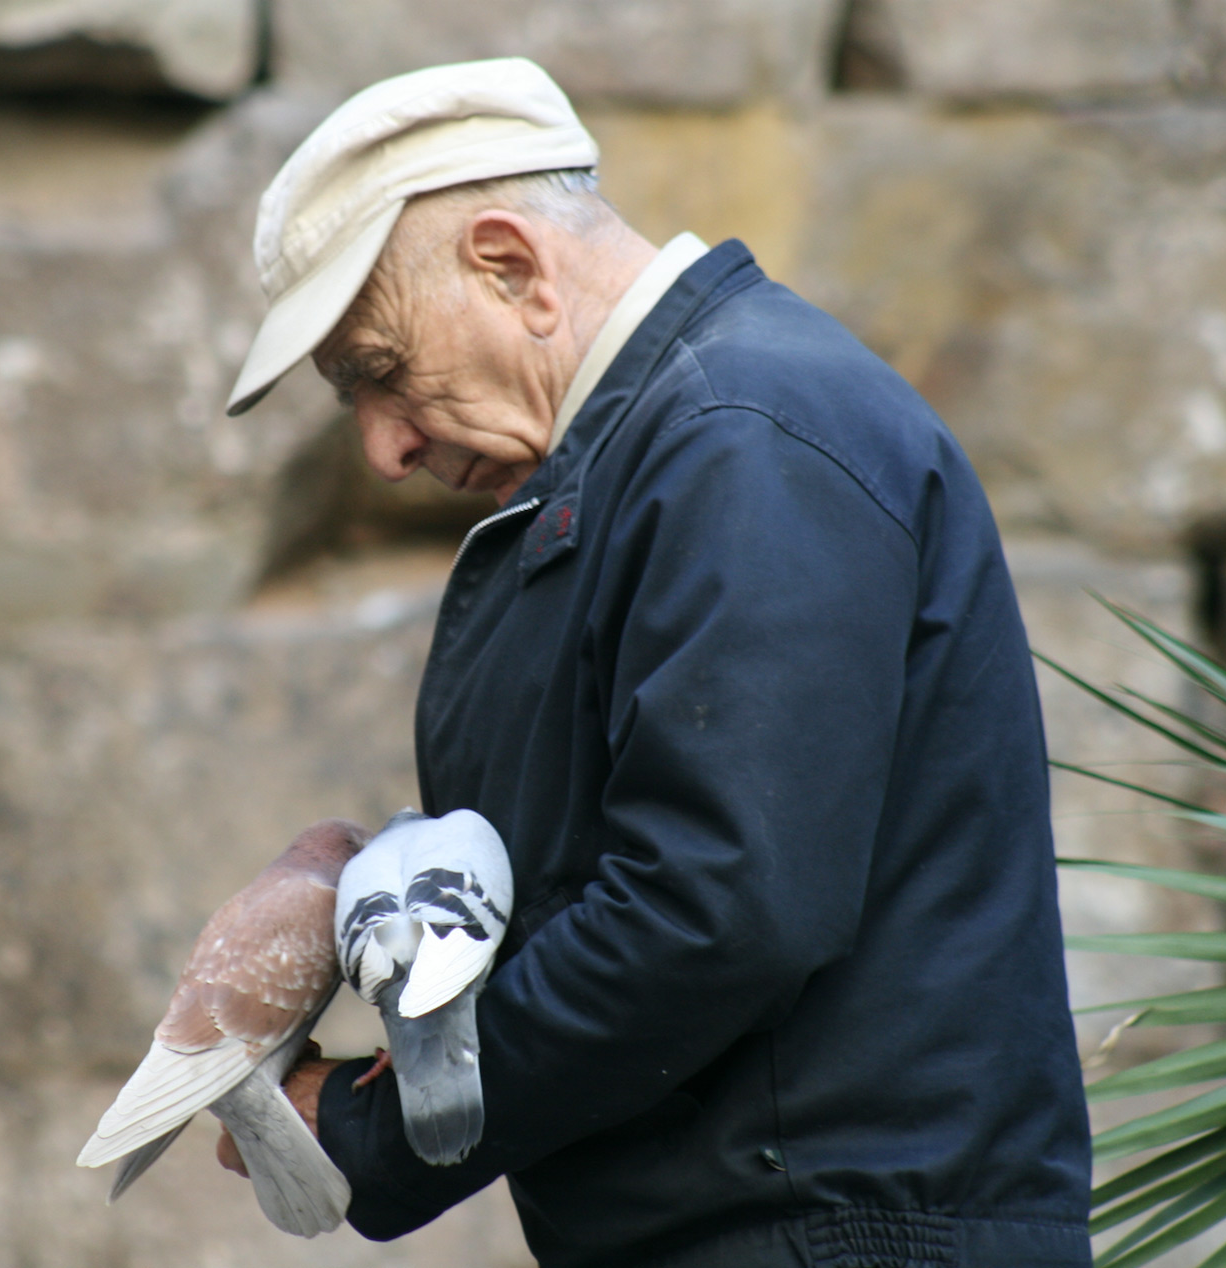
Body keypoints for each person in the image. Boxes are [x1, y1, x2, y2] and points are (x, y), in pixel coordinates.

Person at [218, 57, 1092, 1267]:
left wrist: (369, 1124)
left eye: (378, 369)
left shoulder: (742, 437)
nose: (381, 446)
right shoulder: (683, 443)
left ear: (510, 265)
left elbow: (715, 909)